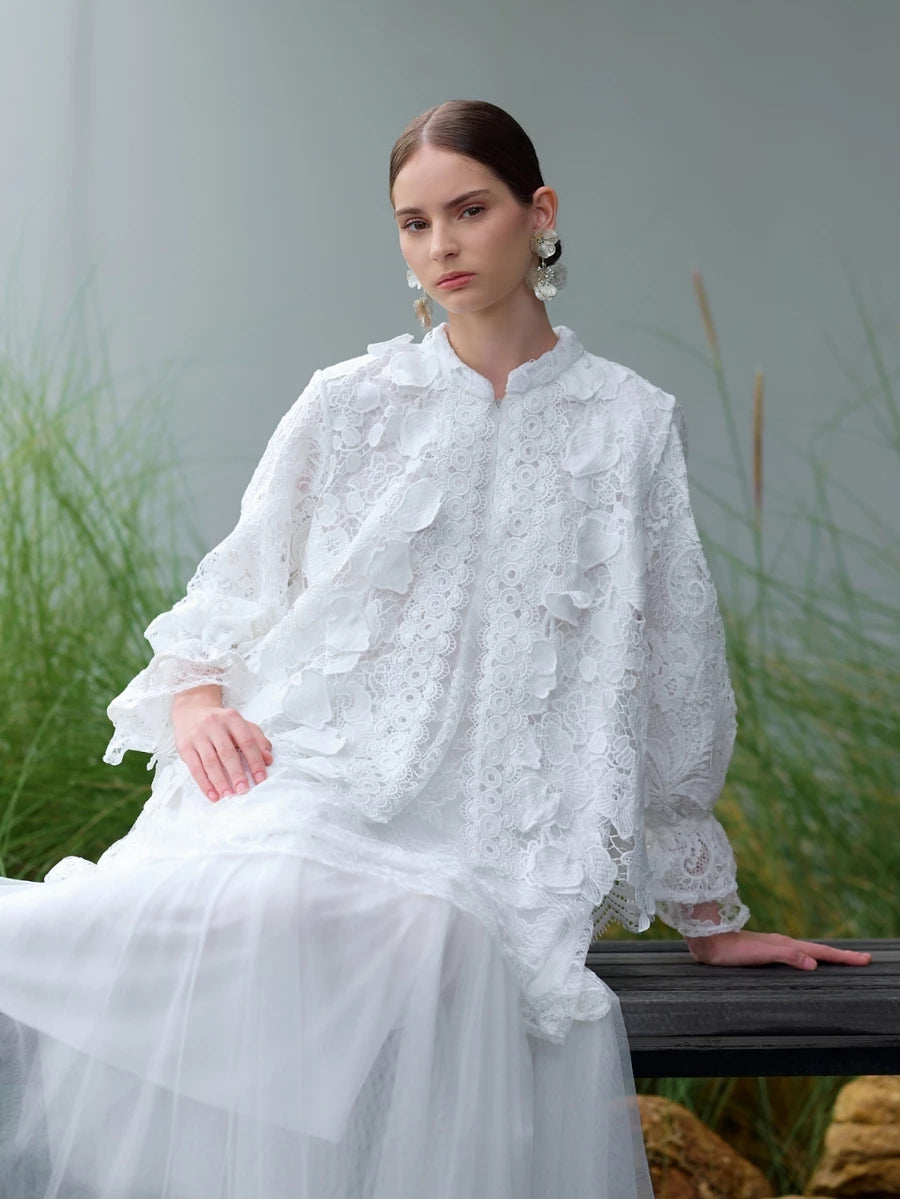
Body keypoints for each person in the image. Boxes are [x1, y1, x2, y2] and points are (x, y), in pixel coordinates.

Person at [0, 99, 870, 1199]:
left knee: (431, 934)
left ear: (537, 212)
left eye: (470, 210)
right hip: (307, 766)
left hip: (491, 827)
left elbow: (675, 663)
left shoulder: (629, 422)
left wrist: (711, 917)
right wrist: (197, 702)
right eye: (414, 223)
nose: (442, 245)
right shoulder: (351, 403)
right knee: (243, 897)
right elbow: (235, 582)